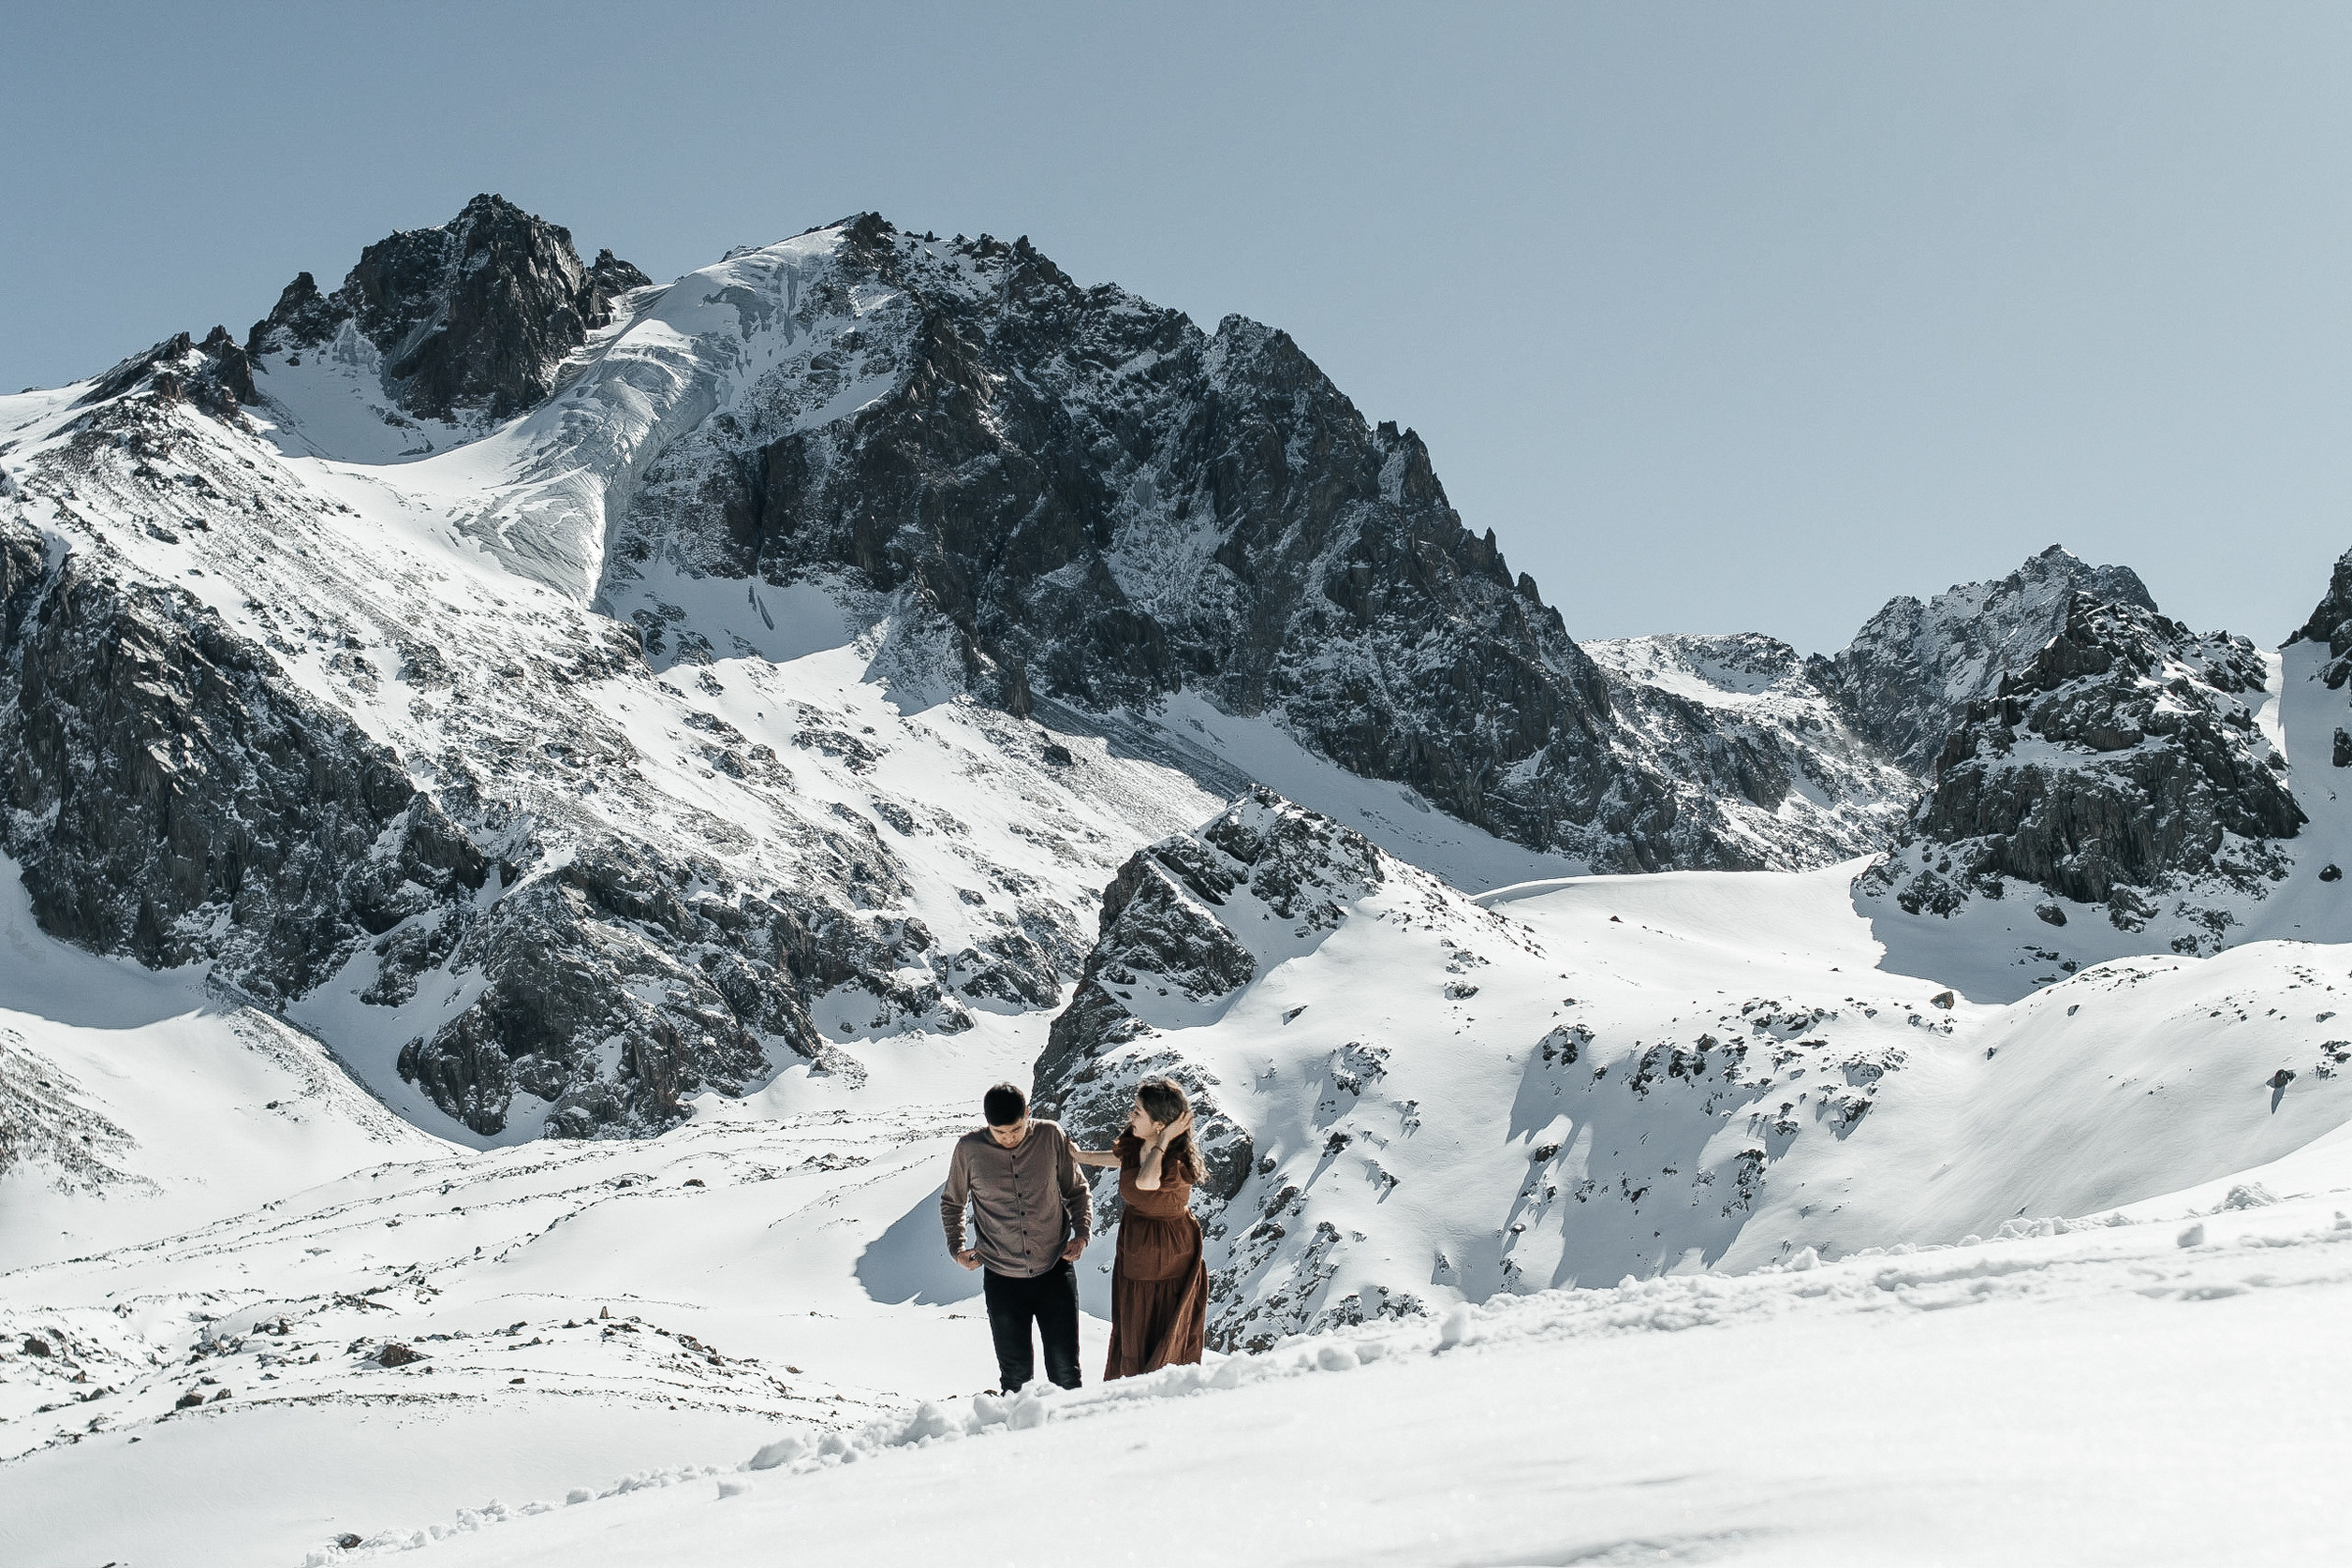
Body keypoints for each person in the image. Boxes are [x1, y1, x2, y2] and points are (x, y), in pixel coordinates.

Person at [941, 1081, 1092, 1394]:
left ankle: (1076, 1440)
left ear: (1027, 1113)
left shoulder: (1051, 1136)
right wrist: (957, 1248)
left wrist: (1082, 1234)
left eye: (1016, 1129)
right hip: (1002, 1279)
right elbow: (953, 1202)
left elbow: (1077, 1191)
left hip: (1055, 1270)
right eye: (1001, 1133)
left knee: (1066, 1371)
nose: (1009, 1138)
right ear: (987, 1124)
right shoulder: (968, 1150)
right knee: (1015, 1379)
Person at [1073, 1076, 1207, 1380]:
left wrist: (1163, 1142)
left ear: (1159, 1124)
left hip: (1168, 1251)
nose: (1130, 1116)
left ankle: (1158, 1387)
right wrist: (1082, 1157)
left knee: (1160, 1320)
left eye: (1137, 1112)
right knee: (1135, 1318)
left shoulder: (1173, 1160)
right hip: (1137, 1245)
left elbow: (1145, 1182)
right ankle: (1132, 1383)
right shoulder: (1138, 1144)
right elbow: (1122, 1160)